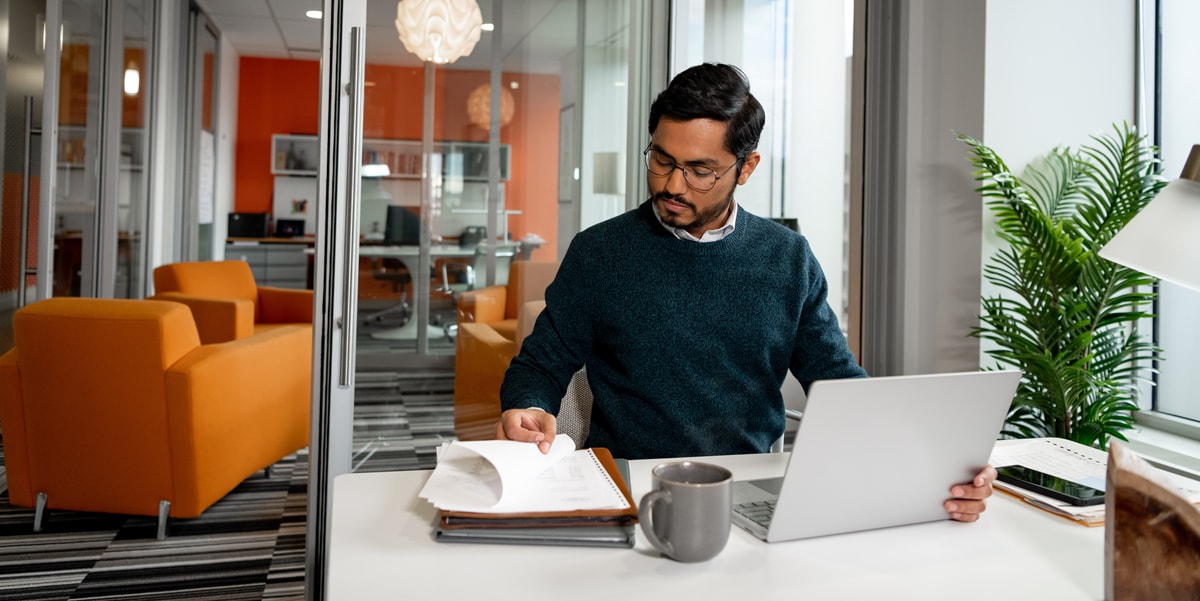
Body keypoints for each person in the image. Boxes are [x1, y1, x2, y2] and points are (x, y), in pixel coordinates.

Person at [496, 63, 996, 522]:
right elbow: (540, 365)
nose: (673, 184)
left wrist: (934, 467)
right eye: (662, 160)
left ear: (747, 167)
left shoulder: (788, 259)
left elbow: (838, 382)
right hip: (631, 484)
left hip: (750, 483)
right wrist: (528, 406)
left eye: (700, 170)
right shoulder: (600, 252)